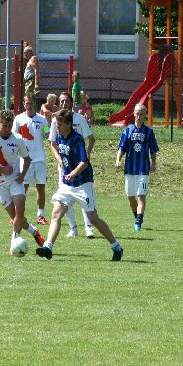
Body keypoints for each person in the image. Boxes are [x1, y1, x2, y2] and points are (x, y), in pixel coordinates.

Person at [36, 109, 123, 262]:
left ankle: (116, 246)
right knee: (56, 214)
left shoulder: (77, 139)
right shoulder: (59, 137)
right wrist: (60, 162)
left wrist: (73, 173)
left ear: (69, 124)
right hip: (67, 185)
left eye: (60, 124)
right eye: (56, 124)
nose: (57, 127)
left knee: (93, 218)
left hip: (83, 183)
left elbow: (84, 162)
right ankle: (48, 248)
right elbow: (54, 146)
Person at [0, 109, 45, 250]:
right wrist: (2, 169)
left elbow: (27, 159)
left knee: (20, 209)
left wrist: (22, 175)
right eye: (5, 126)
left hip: (15, 180)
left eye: (10, 126)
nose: (8, 129)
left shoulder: (18, 139)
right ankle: (34, 232)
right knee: (16, 216)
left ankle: (14, 243)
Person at [49, 92, 96, 238]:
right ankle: (73, 228)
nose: (64, 104)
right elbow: (53, 143)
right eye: (61, 101)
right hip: (65, 167)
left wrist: (86, 154)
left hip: (80, 167)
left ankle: (88, 227)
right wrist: (59, 160)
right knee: (64, 198)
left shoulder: (79, 118)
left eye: (66, 101)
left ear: (71, 103)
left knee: (84, 197)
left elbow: (91, 138)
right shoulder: (55, 121)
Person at [115, 102, 159, 232]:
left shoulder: (149, 132)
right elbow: (122, 148)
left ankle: (138, 221)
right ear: (134, 114)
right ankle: (137, 217)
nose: (139, 116)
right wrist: (118, 160)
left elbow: (153, 150)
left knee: (141, 196)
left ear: (145, 115)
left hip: (143, 169)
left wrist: (154, 163)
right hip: (130, 169)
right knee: (130, 197)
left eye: (141, 114)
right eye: (137, 114)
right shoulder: (128, 130)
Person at [13, 91, 50, 224]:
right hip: (25, 160)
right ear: (24, 104)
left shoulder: (42, 119)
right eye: (26, 103)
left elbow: (47, 134)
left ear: (34, 103)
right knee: (23, 188)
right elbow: (13, 137)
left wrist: (52, 130)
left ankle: (40, 216)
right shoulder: (18, 119)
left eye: (30, 103)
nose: (28, 105)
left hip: (39, 159)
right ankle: (17, 215)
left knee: (41, 187)